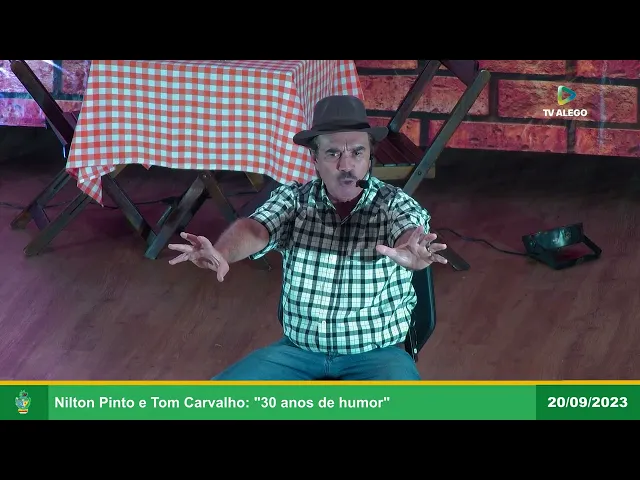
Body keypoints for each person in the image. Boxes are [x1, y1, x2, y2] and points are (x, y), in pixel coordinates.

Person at [167, 95, 448, 381]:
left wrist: (411, 250)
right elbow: (255, 229)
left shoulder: (394, 203)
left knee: (403, 404)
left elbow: (408, 230)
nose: (346, 165)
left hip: (378, 355)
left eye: (357, 153)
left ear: (369, 158)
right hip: (296, 353)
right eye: (333, 153)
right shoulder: (293, 200)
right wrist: (222, 252)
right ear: (314, 158)